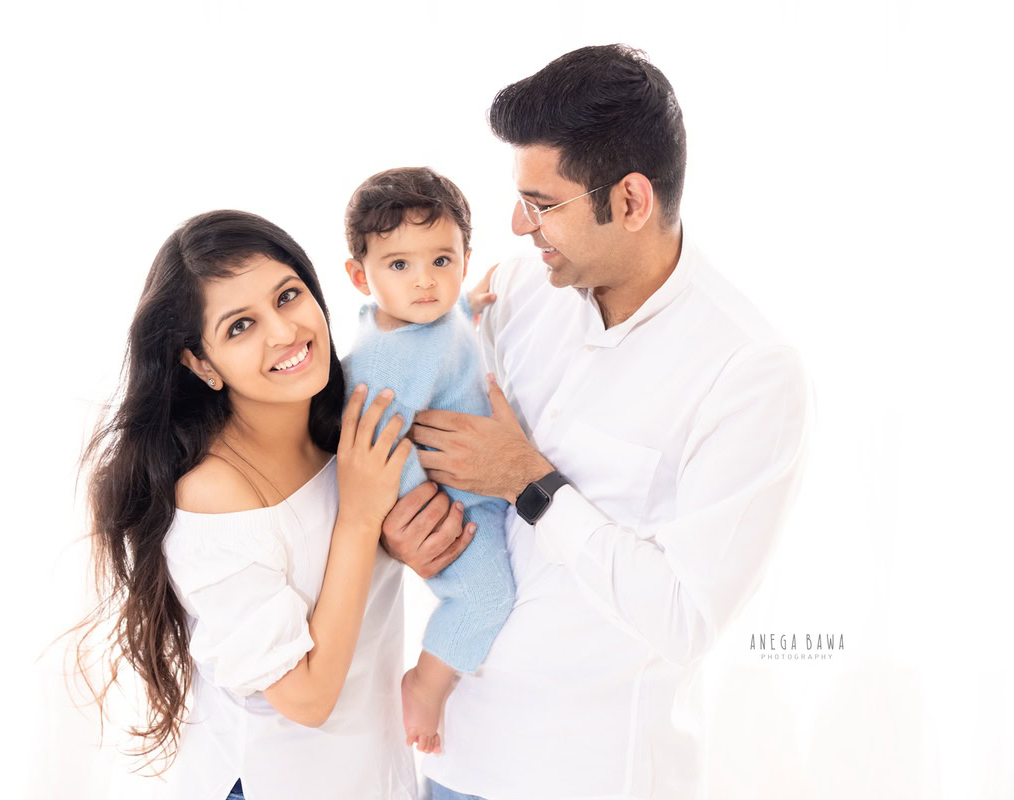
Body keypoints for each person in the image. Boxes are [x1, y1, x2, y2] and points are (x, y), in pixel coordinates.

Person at [378, 45, 811, 799]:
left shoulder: (747, 373)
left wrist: (531, 482)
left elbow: (685, 616)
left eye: (543, 203)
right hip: (447, 759)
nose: (518, 224)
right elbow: (444, 448)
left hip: (587, 776)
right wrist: (407, 534)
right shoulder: (517, 292)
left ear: (633, 201)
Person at [76, 210, 424, 799]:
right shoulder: (217, 494)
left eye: (288, 296)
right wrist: (362, 518)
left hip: (373, 774)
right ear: (200, 363)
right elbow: (308, 699)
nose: (284, 333)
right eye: (240, 327)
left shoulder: (342, 424)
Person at [340, 167, 516, 755]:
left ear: (466, 257)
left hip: (485, 486)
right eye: (399, 266)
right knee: (487, 595)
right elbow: (379, 447)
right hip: (456, 512)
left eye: (441, 262)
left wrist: (472, 304)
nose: (424, 283)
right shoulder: (386, 365)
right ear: (360, 276)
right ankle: (428, 685)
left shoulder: (431, 319)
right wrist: (424, 506)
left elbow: (443, 328)